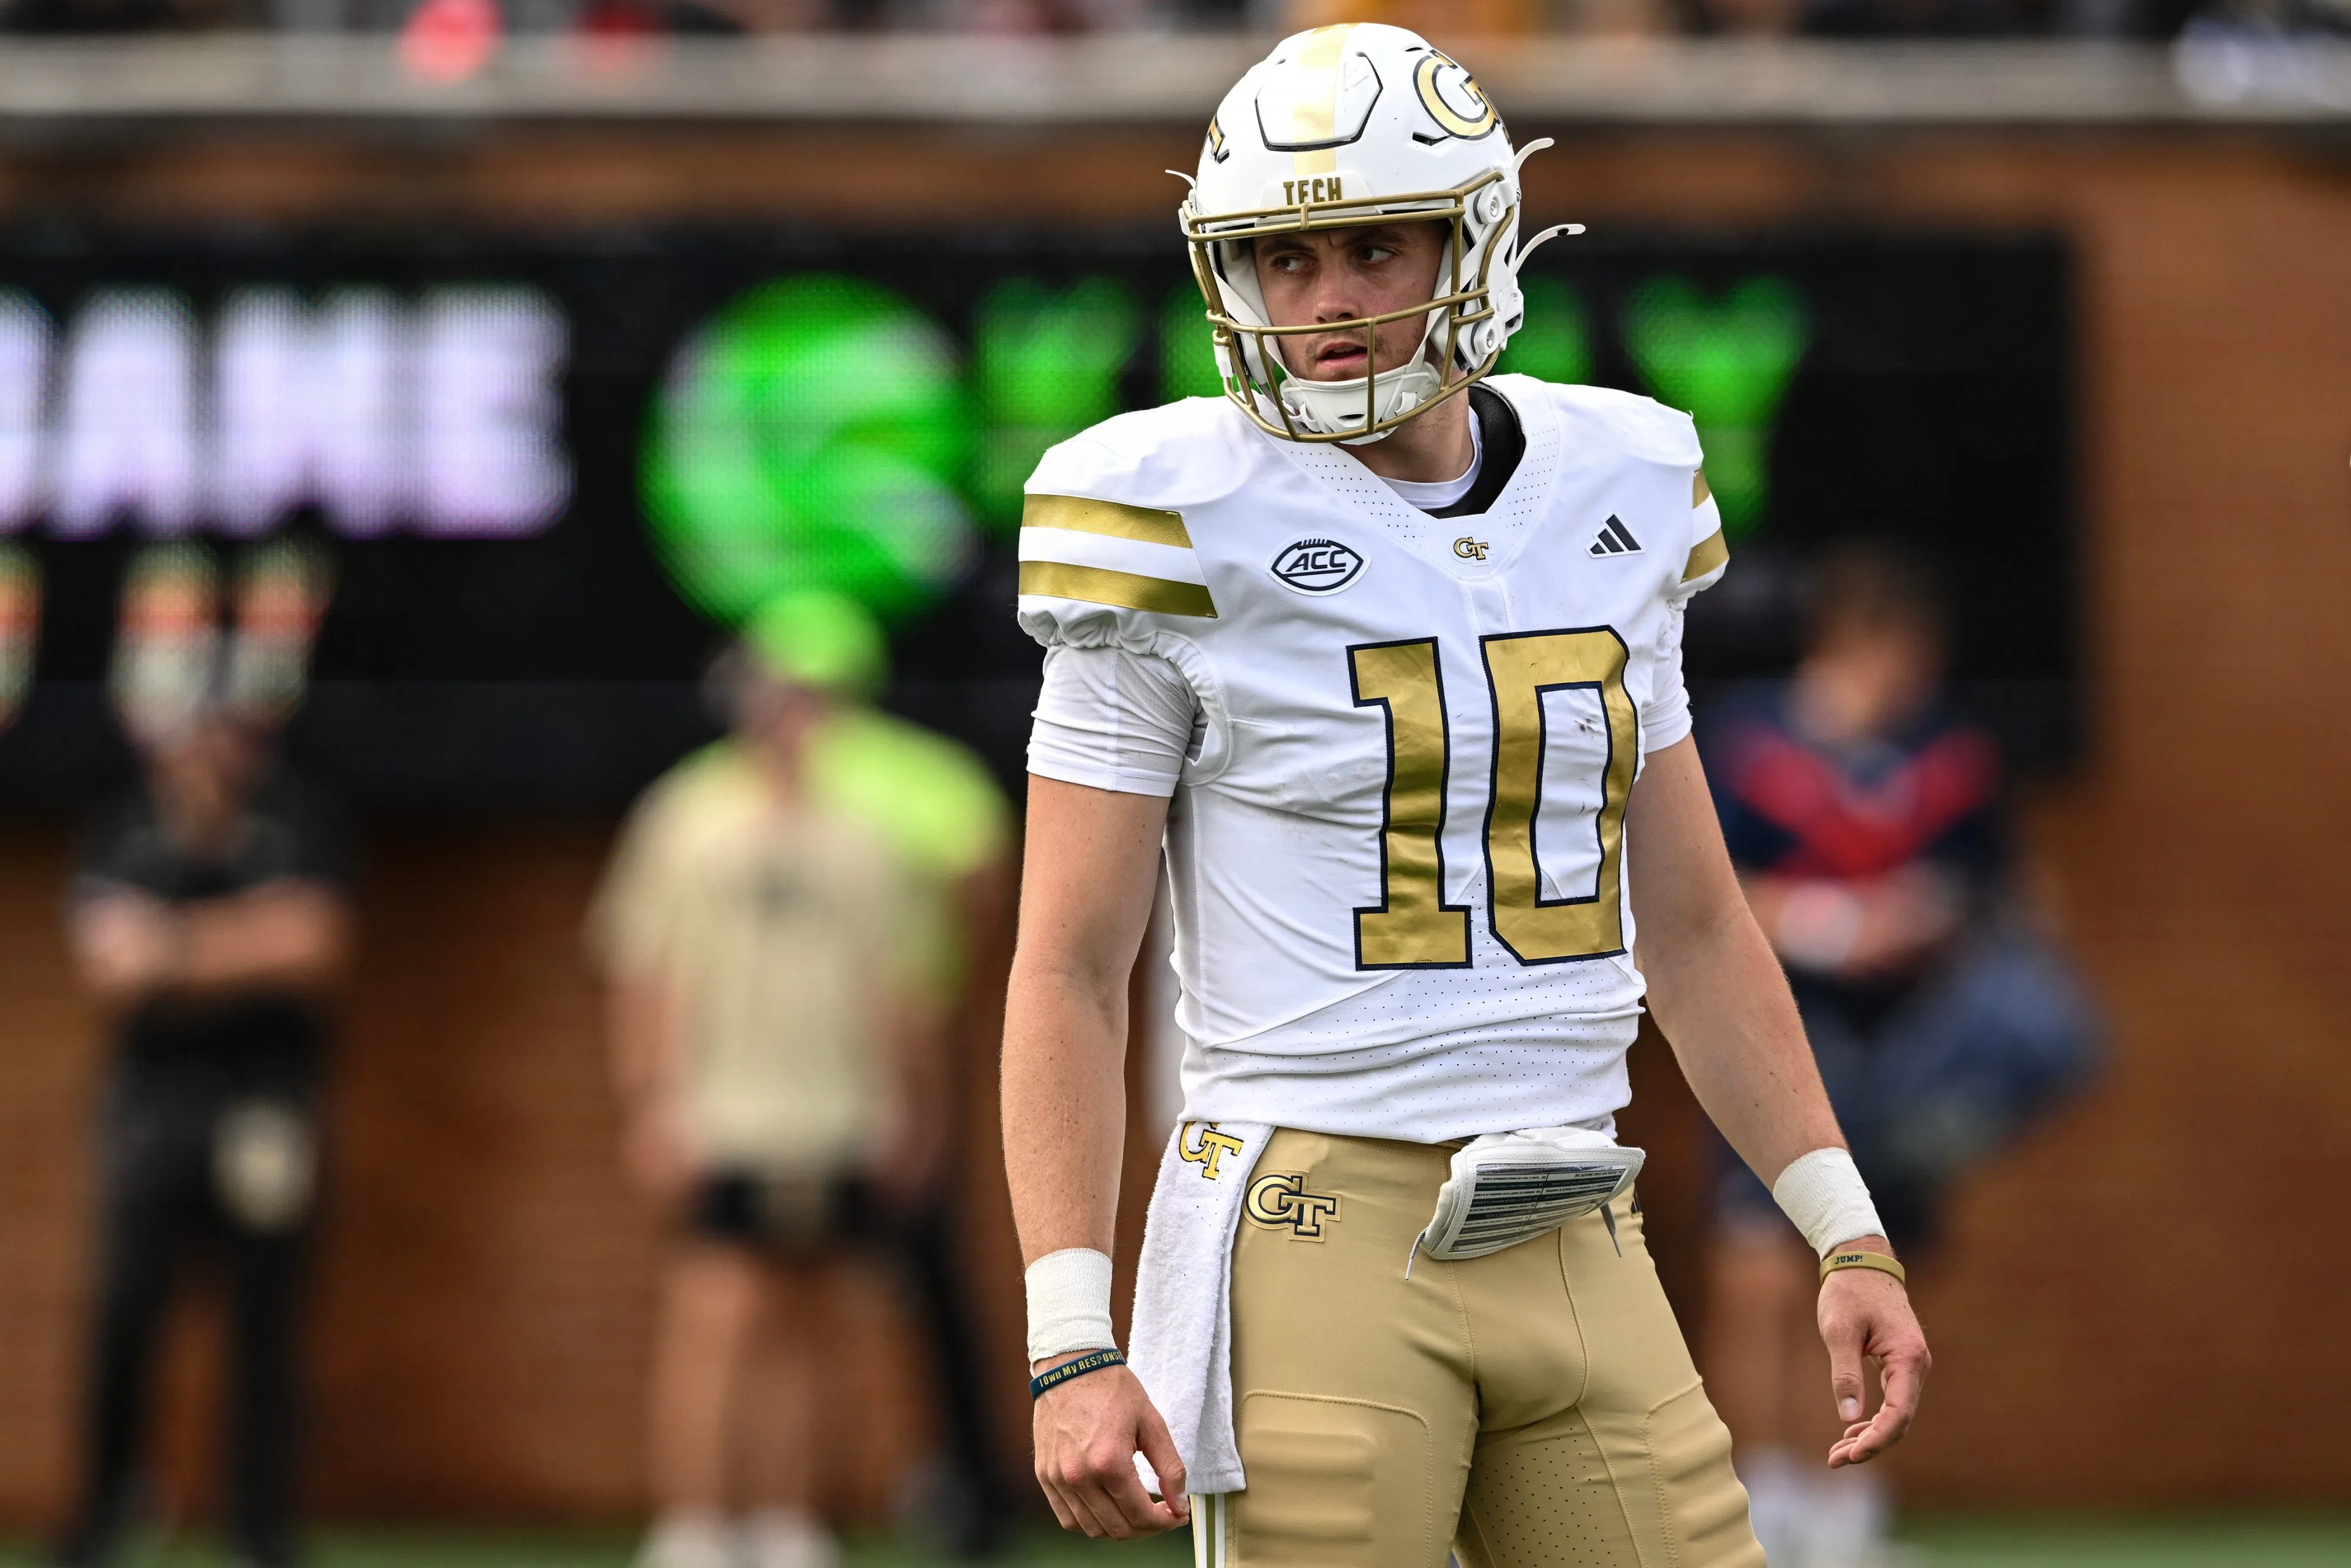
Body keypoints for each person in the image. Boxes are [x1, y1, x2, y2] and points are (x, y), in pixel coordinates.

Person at [998, 24, 1931, 1568]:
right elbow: (1069, 966)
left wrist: (1845, 1223)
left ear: (1480, 237)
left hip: (1578, 1210)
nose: (1329, 300)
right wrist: (1068, 1332)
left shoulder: (1619, 480)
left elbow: (1693, 925)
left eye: (1373, 245)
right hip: (1314, 1225)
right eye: (1284, 259)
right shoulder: (1164, 512)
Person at [1696, 543, 2097, 1568]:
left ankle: (1844, 1520)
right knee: (1756, 1273)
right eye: (1891, 656)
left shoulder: (1948, 759)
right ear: (1849, 640)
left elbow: (2010, 897)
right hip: (1779, 1036)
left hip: (1903, 1046)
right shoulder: (1747, 751)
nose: (1904, 681)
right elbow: (1703, 900)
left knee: (1871, 1279)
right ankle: (1769, 1512)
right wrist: (1835, 924)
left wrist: (1941, 926)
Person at [592, 589, 1012, 1568]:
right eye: (774, 696)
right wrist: (650, 1100)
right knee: (718, 1316)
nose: (791, 717)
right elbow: (642, 973)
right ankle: (696, 1522)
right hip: (725, 1115)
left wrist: (918, 1112)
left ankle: (787, 1517)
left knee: (815, 1314)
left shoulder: (867, 841)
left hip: (837, 1117)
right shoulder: (687, 821)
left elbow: (905, 990)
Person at [56, 546, 351, 1568]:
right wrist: (241, 944)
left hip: (268, 1104)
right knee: (128, 1314)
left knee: (267, 1330)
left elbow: (313, 946)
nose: (212, 750)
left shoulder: (296, 818)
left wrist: (176, 948)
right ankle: (103, 1516)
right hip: (153, 1110)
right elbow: (108, 968)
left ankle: (262, 1532)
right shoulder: (125, 825)